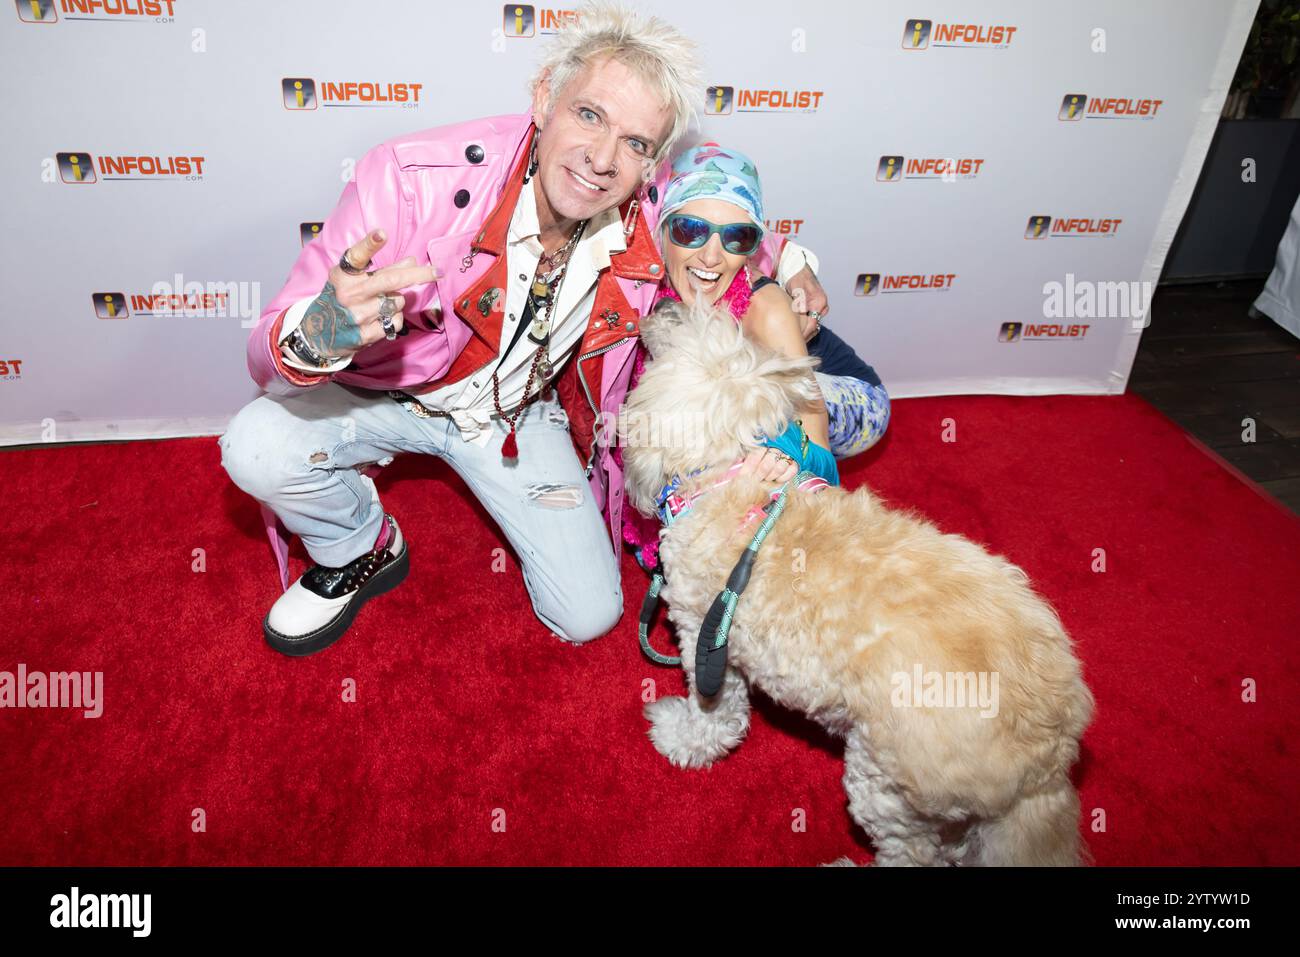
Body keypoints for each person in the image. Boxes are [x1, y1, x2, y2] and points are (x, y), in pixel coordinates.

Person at [217, 3, 829, 656]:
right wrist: (316, 336)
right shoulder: (408, 180)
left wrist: (792, 260)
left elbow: (718, 221)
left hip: (515, 416)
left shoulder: (646, 212)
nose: (601, 158)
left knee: (588, 614)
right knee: (256, 444)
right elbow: (264, 351)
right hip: (382, 393)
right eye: (589, 115)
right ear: (545, 98)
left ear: (652, 163)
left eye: (635, 143)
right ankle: (358, 548)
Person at [618, 143, 891, 571]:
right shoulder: (641, 280)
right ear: (662, 228)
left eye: (736, 237)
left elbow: (818, 455)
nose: (711, 256)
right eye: (690, 230)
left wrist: (783, 455)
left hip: (852, 397)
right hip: (764, 368)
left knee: (736, 423)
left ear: (751, 247)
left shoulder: (767, 310)